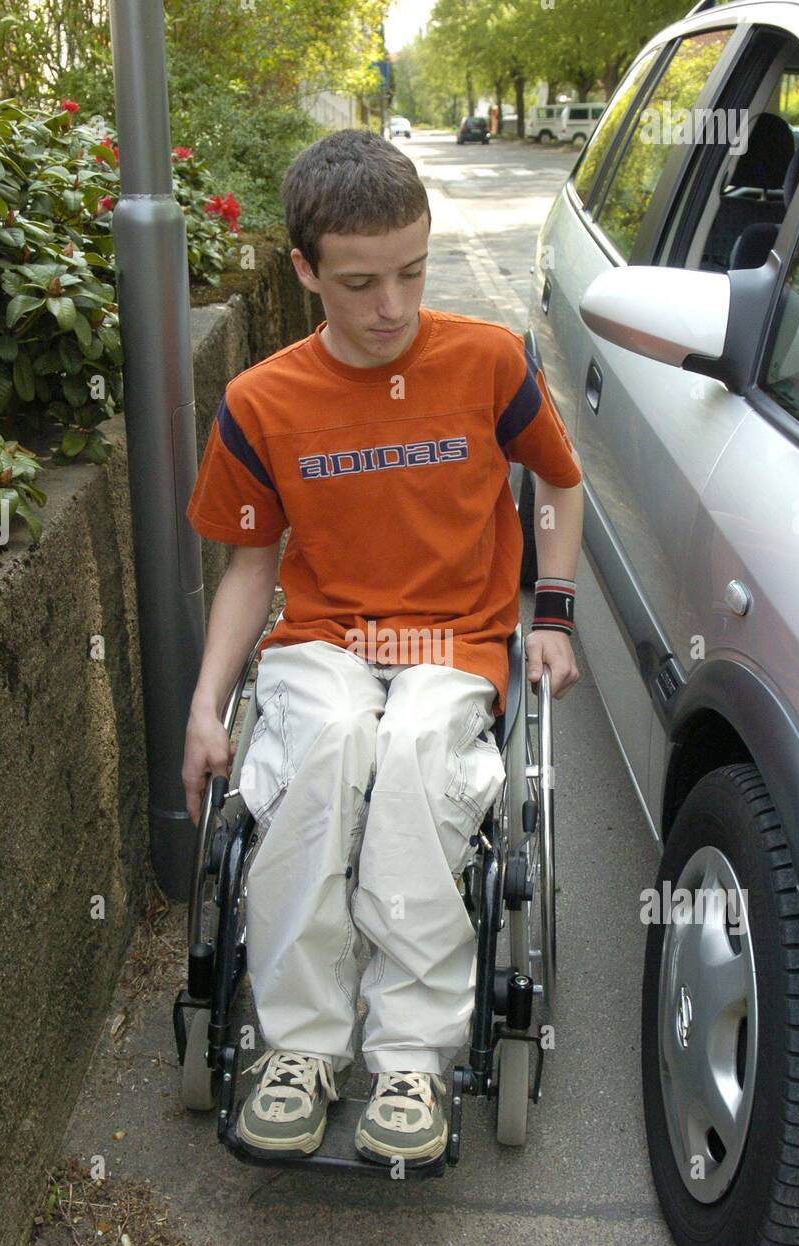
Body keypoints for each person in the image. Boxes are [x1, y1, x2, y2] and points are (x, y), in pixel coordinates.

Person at [181, 127, 583, 1166]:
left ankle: (410, 1053)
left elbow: (563, 486)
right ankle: (304, 1047)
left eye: (412, 271)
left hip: (454, 641)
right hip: (325, 638)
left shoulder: (490, 362)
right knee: (324, 754)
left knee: (408, 758)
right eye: (360, 283)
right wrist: (203, 703)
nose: (392, 307)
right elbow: (250, 565)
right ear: (305, 269)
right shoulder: (262, 403)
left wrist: (554, 613)